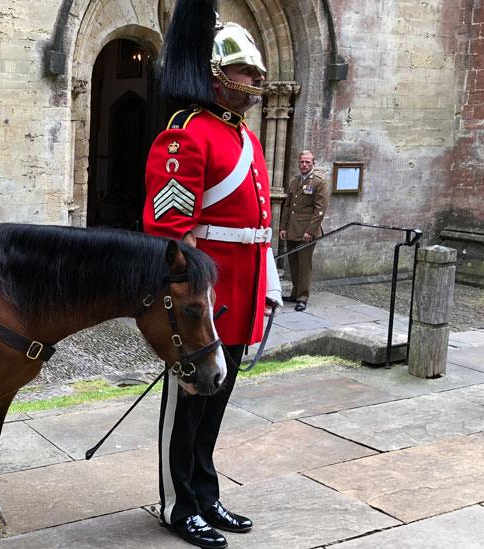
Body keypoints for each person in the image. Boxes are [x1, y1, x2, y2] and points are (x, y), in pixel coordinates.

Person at [142, 2, 283, 548]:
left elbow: (259, 223)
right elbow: (172, 232)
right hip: (206, 298)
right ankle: (177, 502)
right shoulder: (187, 134)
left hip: (242, 292)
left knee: (217, 402)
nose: (255, 81)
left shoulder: (245, 137)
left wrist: (266, 278)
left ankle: (205, 490)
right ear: (216, 76)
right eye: (246, 72)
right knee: (188, 402)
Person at [279, 151, 330, 311]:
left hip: (307, 231)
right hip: (292, 230)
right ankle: (295, 293)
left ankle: (303, 297)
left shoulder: (319, 183)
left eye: (308, 162)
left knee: (304, 265)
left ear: (313, 163)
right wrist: (283, 227)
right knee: (293, 263)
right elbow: (287, 206)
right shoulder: (295, 181)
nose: (304, 165)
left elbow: (320, 210)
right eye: (302, 162)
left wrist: (311, 231)